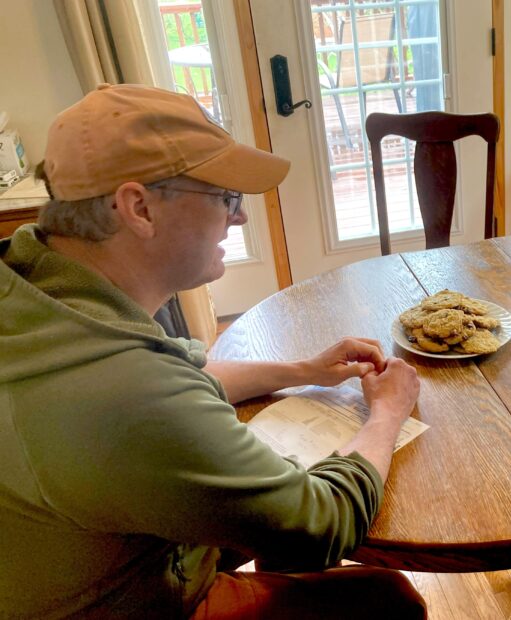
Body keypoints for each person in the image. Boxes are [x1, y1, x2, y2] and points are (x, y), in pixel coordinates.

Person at [0, 84, 426, 618]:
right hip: (133, 604)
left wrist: (305, 369)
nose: (239, 217)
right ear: (138, 208)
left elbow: (183, 374)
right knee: (388, 601)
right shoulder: (130, 393)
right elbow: (321, 524)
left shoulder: (39, 295)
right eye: (224, 197)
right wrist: (387, 413)